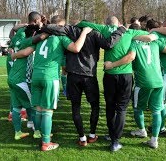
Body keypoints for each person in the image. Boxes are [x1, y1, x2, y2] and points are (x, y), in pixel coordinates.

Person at [11, 15, 93, 151]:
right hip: (50, 77)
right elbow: (76, 48)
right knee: (47, 110)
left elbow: (26, 51)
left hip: (36, 76)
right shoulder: (61, 37)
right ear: (60, 26)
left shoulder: (41, 37)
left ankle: (39, 133)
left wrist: (13, 55)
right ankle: (46, 142)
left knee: (38, 109)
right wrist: (84, 32)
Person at [39, 18, 126, 147]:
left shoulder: (71, 30)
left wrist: (45, 27)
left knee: (76, 106)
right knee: (94, 106)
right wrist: (121, 30)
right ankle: (91, 135)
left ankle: (82, 137)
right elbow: (109, 44)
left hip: (73, 75)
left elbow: (50, 27)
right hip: (89, 76)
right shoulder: (94, 32)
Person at [76, 16, 153, 151]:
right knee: (121, 108)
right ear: (119, 23)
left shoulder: (104, 29)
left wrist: (92, 26)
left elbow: (82, 23)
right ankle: (115, 141)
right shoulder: (129, 32)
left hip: (110, 76)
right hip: (126, 76)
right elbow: (151, 35)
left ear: (106, 23)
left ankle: (112, 136)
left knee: (110, 107)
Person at [104, 20, 166, 149]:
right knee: (156, 110)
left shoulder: (134, 42)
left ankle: (141, 130)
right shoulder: (155, 41)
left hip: (143, 82)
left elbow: (130, 57)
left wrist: (111, 65)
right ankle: (154, 140)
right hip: (158, 81)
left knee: (137, 108)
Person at [7, 11, 43, 140]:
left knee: (16, 107)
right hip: (22, 79)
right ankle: (38, 131)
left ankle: (18, 133)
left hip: (12, 77)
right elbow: (40, 37)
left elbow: (12, 36)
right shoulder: (28, 40)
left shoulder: (19, 38)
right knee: (33, 106)